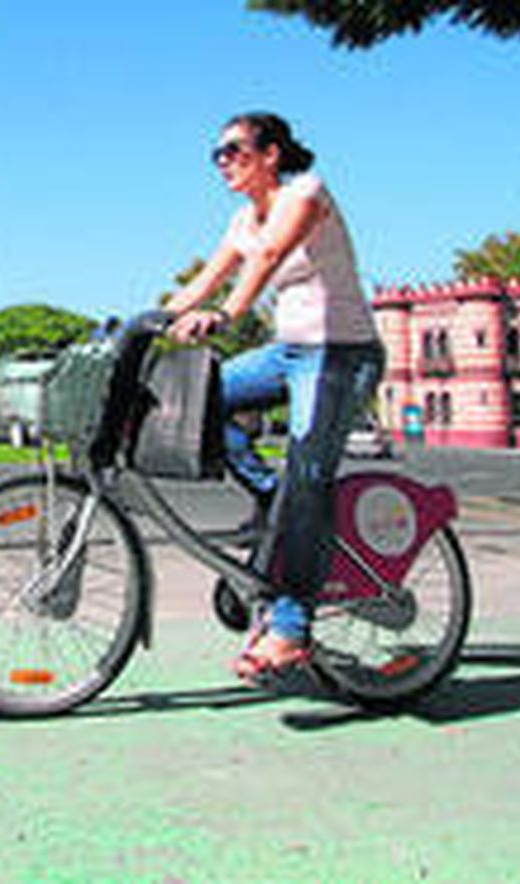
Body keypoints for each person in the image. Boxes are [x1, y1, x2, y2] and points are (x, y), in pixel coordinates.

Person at [161, 112, 384, 681]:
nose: (224, 162)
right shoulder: (241, 218)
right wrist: (149, 323)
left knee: (308, 477)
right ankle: (268, 495)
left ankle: (290, 626)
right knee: (200, 402)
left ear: (272, 154)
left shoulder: (306, 193)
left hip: (340, 354)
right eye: (217, 154)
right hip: (289, 353)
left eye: (234, 150)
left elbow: (267, 257)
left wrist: (229, 314)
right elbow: (202, 281)